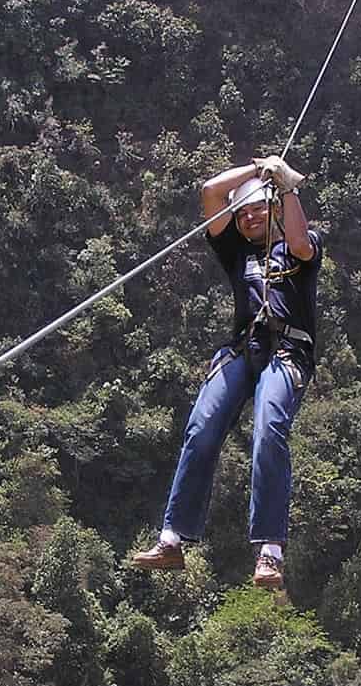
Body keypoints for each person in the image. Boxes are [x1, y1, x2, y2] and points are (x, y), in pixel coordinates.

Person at [130, 154, 321, 590]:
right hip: (243, 348)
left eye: (258, 208)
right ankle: (172, 539)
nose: (250, 217)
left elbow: (301, 244)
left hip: (288, 350)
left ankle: (269, 552)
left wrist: (286, 187)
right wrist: (259, 170)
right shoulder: (236, 251)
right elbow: (210, 192)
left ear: (272, 208)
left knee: (269, 427)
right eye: (243, 212)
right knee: (202, 427)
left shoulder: (301, 243)